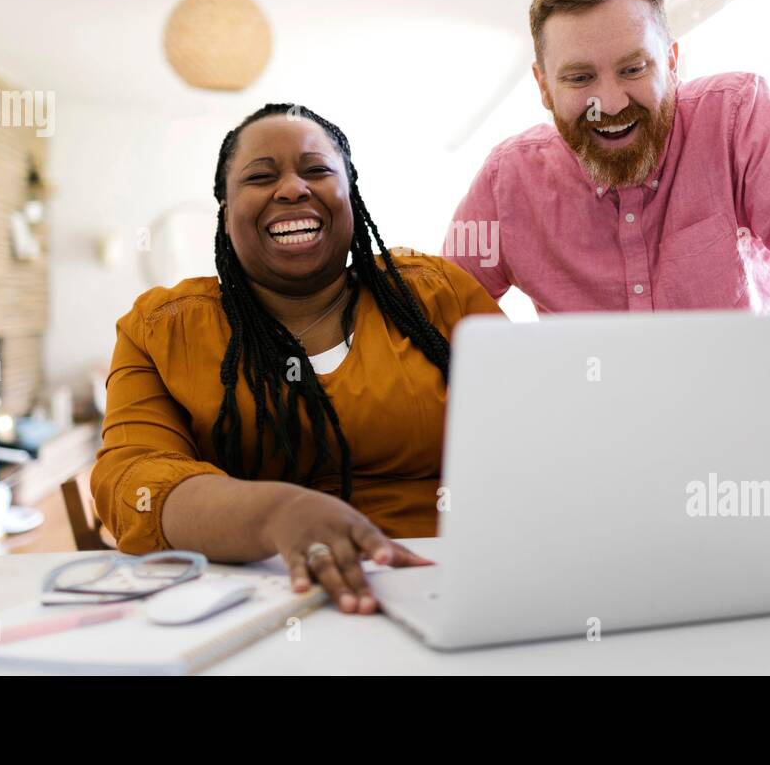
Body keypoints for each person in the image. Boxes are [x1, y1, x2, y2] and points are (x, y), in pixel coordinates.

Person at [444, 0, 770, 524]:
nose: (609, 103)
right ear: (542, 84)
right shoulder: (509, 181)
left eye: (633, 69)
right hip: (604, 498)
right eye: (580, 78)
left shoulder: (740, 118)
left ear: (672, 61)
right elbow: (434, 326)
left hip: (767, 476)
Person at [95, 103, 503, 614]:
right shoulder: (161, 328)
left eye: (316, 171)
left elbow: (532, 439)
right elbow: (131, 485)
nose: (292, 189)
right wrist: (274, 515)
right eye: (261, 177)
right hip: (255, 599)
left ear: (350, 194)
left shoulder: (437, 297)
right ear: (224, 208)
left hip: (446, 586)